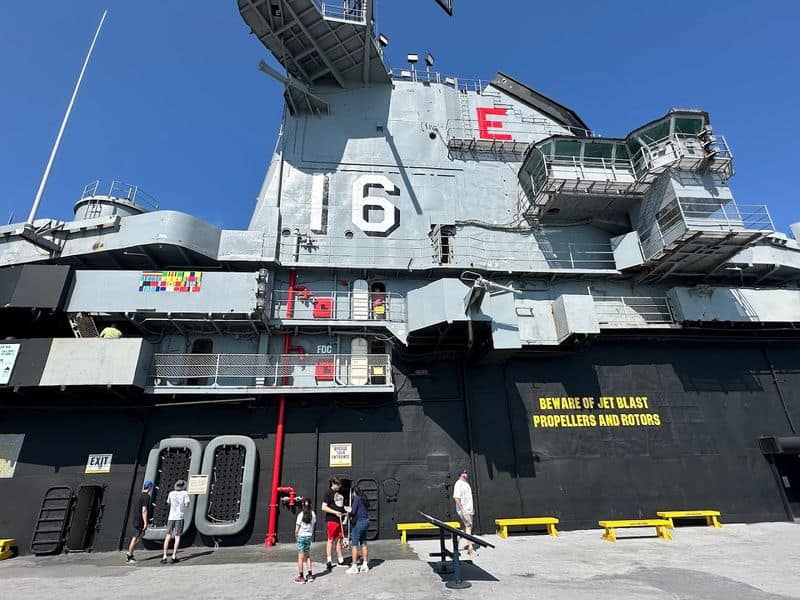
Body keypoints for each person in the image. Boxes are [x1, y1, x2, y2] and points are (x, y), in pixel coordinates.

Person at [161, 479, 190, 564]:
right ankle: (173, 556)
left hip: (171, 517)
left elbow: (168, 503)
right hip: (179, 517)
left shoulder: (171, 493)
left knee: (168, 536)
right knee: (177, 536)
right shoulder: (185, 493)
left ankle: (164, 556)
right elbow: (187, 505)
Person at [321, 477, 346, 570]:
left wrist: (345, 510)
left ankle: (340, 560)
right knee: (330, 539)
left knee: (339, 539)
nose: (339, 487)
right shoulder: (328, 493)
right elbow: (323, 507)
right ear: (334, 484)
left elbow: (339, 506)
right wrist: (335, 512)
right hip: (331, 519)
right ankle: (329, 560)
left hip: (339, 519)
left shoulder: (339, 493)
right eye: (338, 485)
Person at [125, 480, 153, 563]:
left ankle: (130, 551)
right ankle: (129, 555)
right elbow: (144, 510)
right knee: (135, 537)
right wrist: (145, 522)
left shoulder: (138, 495)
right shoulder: (146, 496)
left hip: (135, 518)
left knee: (141, 534)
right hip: (140, 520)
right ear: (150, 487)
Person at [345, 487, 370, 574]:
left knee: (354, 544)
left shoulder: (356, 498)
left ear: (354, 492)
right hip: (366, 521)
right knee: (363, 543)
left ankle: (354, 566)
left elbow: (353, 512)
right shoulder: (364, 499)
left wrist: (348, 510)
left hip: (358, 523)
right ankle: (365, 565)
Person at [453, 469, 476, 555]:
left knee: (467, 527)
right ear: (461, 474)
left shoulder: (466, 484)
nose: (466, 474)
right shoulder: (458, 484)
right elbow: (456, 497)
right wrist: (462, 509)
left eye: (466, 472)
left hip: (469, 510)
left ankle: (457, 539)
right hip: (464, 510)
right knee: (469, 526)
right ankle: (470, 548)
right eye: (464, 472)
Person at [294, 498, 316, 584]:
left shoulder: (300, 515)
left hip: (301, 536)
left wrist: (296, 535)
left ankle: (301, 576)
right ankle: (310, 575)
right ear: (310, 505)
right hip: (309, 537)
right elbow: (313, 524)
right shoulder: (313, 514)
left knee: (300, 557)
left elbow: (296, 529)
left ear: (302, 505)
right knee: (307, 555)